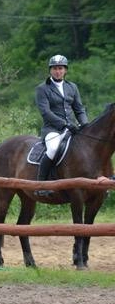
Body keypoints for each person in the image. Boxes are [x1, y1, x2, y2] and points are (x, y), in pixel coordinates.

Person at [34, 54, 88, 197]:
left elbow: (79, 109)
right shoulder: (42, 88)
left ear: (65, 70)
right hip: (52, 130)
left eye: (60, 68)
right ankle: (41, 185)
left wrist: (85, 124)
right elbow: (46, 112)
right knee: (53, 148)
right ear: (50, 70)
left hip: (72, 129)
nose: (57, 71)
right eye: (55, 69)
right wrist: (65, 124)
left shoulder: (72, 87)